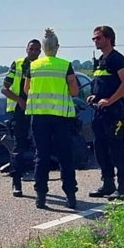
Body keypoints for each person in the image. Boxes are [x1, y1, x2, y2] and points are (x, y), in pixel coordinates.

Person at [24, 28, 79, 210]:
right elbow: (74, 90)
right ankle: (70, 196)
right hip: (61, 117)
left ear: (43, 48)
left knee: (41, 156)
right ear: (57, 47)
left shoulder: (33, 66)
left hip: (39, 117)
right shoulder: (65, 65)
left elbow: (26, 90)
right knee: (65, 156)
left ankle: (40, 197)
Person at [88, 25, 124, 200]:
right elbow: (102, 84)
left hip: (113, 112)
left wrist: (110, 100)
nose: (95, 41)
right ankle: (108, 184)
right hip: (98, 112)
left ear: (108, 38)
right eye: (94, 38)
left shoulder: (116, 59)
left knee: (116, 149)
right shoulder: (101, 59)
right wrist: (95, 96)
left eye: (98, 38)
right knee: (100, 148)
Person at [0, 39, 42, 197]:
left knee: (40, 147)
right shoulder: (17, 64)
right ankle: (16, 182)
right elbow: (4, 88)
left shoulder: (41, 66)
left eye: (37, 50)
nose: (34, 52)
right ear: (26, 49)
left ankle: (40, 186)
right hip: (19, 111)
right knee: (19, 147)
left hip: (38, 109)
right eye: (31, 49)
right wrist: (19, 100)